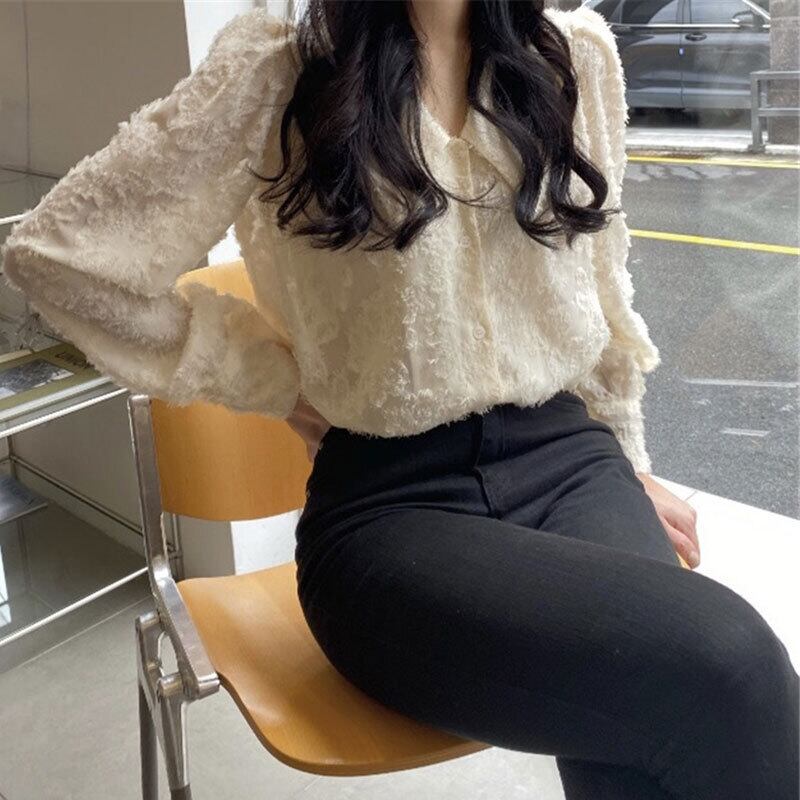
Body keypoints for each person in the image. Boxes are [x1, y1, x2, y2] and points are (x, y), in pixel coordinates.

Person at [2, 2, 797, 797]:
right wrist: (274, 381)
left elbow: (601, 297)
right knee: (729, 669)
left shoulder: (572, 58)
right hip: (393, 506)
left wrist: (628, 464)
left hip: (570, 461)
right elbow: (61, 258)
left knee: (653, 708)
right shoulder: (278, 70)